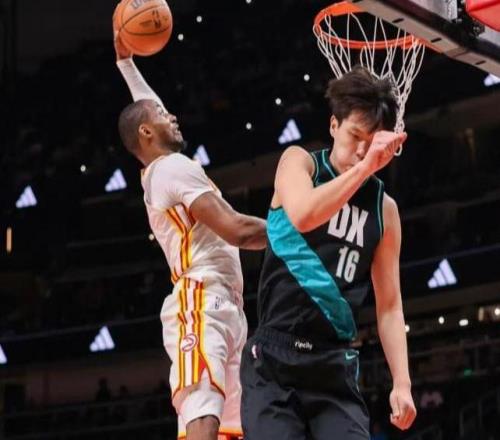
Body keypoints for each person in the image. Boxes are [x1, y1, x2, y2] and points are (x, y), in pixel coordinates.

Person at [240, 65, 416, 439]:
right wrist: (365, 168)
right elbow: (304, 215)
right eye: (355, 135)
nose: (363, 150)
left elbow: (389, 305)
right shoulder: (299, 163)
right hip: (273, 358)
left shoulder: (384, 210)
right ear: (334, 126)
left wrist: (402, 383)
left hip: (332, 363)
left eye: (373, 141)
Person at [113, 23, 267, 440]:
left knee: (228, 431)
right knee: (203, 414)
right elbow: (236, 230)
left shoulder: (164, 169)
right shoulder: (171, 169)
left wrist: (126, 63)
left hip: (226, 305)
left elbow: (148, 108)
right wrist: (297, 230)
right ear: (147, 133)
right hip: (201, 298)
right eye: (164, 116)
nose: (173, 115)